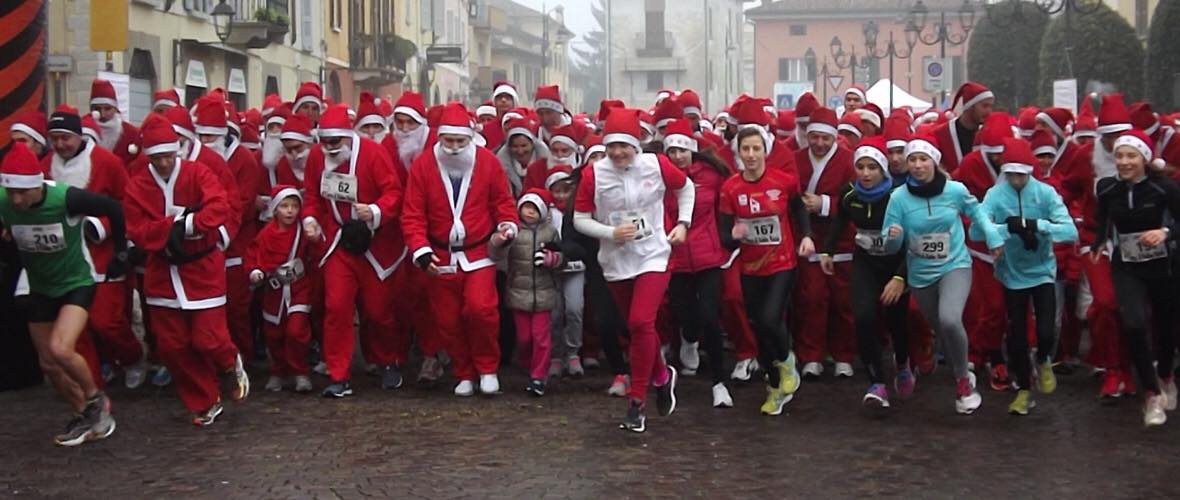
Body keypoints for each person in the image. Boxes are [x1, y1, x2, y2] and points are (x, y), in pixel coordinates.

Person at [123, 114, 248, 426]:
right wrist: (171, 229)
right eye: (157, 157)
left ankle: (229, 364)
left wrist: (190, 225)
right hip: (162, 272)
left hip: (202, 268)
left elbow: (219, 205)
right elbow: (135, 228)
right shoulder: (138, 184)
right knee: (172, 345)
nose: (164, 163)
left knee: (209, 339)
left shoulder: (197, 173)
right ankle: (205, 399)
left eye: (168, 155)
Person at [573, 108, 693, 432]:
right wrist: (609, 233)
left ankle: (637, 402)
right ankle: (661, 375)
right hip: (615, 260)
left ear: (637, 143)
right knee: (635, 327)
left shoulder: (656, 165)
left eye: (623, 146)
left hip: (654, 253)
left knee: (642, 321)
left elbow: (686, 188)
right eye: (611, 146)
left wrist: (683, 224)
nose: (617, 153)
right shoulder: (593, 174)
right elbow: (579, 219)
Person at [0, 142, 124, 446]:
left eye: (22, 192)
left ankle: (97, 399)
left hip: (76, 283)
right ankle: (84, 415)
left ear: (36, 186)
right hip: (40, 285)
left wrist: (121, 251)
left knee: (60, 348)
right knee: (49, 365)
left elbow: (113, 208)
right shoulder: (5, 201)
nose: (16, 199)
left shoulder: (64, 197)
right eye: (10, 192)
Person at [881, 135, 1005, 415]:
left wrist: (993, 237)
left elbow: (978, 213)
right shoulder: (898, 198)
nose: (917, 165)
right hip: (920, 273)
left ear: (934, 162)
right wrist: (893, 237)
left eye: (923, 159)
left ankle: (963, 383)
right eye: (912, 160)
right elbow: (889, 244)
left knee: (950, 319)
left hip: (954, 265)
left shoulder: (955, 190)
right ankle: (963, 369)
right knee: (942, 330)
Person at [402, 102, 518, 398]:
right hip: (439, 255)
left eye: (460, 141)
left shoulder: (488, 163)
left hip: (479, 252)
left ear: (470, 138)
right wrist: (421, 250)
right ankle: (463, 371)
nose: (454, 148)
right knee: (448, 319)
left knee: (481, 311)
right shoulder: (423, 165)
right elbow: (413, 214)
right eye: (448, 141)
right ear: (439, 138)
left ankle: (487, 368)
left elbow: (503, 203)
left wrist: (507, 226)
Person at [301, 105, 404, 397]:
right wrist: (310, 220)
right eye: (325, 142)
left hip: (375, 242)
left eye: (336, 142)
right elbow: (311, 195)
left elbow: (393, 193)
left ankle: (387, 361)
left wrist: (373, 210)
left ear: (348, 135)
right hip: (338, 241)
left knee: (377, 310)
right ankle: (338, 373)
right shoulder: (316, 158)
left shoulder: (373, 154)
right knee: (336, 307)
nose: (331, 148)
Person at [40, 106, 145, 388]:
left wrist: (100, 228)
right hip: (64, 258)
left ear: (78, 136)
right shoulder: (47, 165)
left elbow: (128, 205)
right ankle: (93, 386)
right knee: (78, 330)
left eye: (66, 138)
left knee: (106, 322)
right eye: (55, 138)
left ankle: (131, 357)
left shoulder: (106, 162)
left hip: (101, 254)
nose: (60, 144)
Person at [973, 138, 1078, 415]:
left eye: (1022, 175)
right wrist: (1008, 229)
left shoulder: (1045, 193)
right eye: (1011, 175)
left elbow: (1069, 232)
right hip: (1011, 274)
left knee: (1045, 330)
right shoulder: (996, 195)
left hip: (1042, 271)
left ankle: (1044, 359)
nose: (1017, 180)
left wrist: (1036, 226)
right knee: (1017, 335)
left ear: (1030, 173)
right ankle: (1023, 389)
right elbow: (976, 231)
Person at [718, 126, 812, 416]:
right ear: (738, 153)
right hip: (750, 267)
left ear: (765, 151)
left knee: (771, 319)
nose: (751, 155)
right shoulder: (731, 188)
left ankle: (787, 364)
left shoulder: (783, 182)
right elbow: (723, 235)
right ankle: (774, 386)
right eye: (745, 149)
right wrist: (734, 232)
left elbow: (798, 210)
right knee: (758, 328)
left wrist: (806, 236)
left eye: (756, 149)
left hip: (782, 263)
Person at [1089, 130, 1180, 427]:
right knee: (1135, 322)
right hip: (1126, 264)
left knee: (1166, 327)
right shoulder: (1107, 188)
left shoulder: (1164, 188)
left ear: (1144, 158)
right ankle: (1151, 395)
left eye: (1131, 156)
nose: (1124, 162)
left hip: (1163, 266)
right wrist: (1100, 241)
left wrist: (1165, 233)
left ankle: (1165, 373)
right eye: (1119, 156)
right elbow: (1103, 217)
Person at [820, 137, 912, 408]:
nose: (866, 173)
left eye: (872, 167)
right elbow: (840, 221)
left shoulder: (899, 196)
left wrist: (901, 277)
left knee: (896, 320)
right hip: (866, 263)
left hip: (896, 264)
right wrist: (827, 251)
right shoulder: (849, 194)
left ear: (882, 169)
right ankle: (877, 383)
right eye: (861, 167)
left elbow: (913, 240)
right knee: (863, 316)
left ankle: (904, 361)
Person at [662, 119, 735, 408]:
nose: (678, 156)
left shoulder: (712, 174)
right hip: (675, 257)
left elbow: (727, 206)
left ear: (692, 149)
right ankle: (688, 339)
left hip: (708, 256)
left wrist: (729, 236)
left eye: (683, 150)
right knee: (686, 317)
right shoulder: (659, 178)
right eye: (673, 151)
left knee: (709, 318)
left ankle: (719, 382)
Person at [792, 107, 857, 379]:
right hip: (809, 240)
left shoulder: (849, 161)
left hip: (841, 240)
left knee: (843, 300)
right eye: (815, 137)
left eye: (825, 139)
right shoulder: (795, 159)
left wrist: (824, 204)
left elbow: (856, 196)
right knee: (812, 298)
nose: (819, 143)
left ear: (834, 138)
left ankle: (843, 355)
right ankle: (811, 355)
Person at [247, 185, 321, 393]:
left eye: (294, 206)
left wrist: (315, 239)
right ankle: (278, 371)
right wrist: (255, 271)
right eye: (285, 206)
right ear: (275, 209)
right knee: (274, 334)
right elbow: (254, 256)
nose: (290, 211)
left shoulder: (302, 233)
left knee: (296, 331)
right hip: (274, 292)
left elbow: (315, 251)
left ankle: (300, 371)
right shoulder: (265, 234)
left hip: (299, 288)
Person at [492, 189, 563, 396]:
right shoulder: (515, 232)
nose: (529, 213)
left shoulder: (550, 232)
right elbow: (497, 254)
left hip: (543, 293)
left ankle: (538, 376)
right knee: (524, 338)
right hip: (518, 292)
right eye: (526, 208)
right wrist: (500, 241)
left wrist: (553, 259)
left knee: (541, 337)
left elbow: (562, 256)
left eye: (534, 208)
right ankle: (526, 363)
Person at [932, 82, 994, 173]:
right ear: (970, 106)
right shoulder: (942, 133)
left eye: (990, 106)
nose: (989, 111)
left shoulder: (989, 133)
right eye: (984, 106)